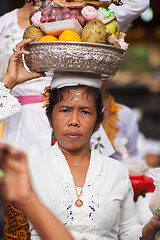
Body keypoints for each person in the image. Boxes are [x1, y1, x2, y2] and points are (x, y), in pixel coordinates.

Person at [0, 39, 160, 240]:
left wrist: (153, 225)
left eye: (85, 112)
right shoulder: (30, 161)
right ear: (49, 117)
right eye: (65, 110)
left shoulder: (116, 171)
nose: (74, 121)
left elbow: (129, 235)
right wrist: (9, 81)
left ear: (98, 121)